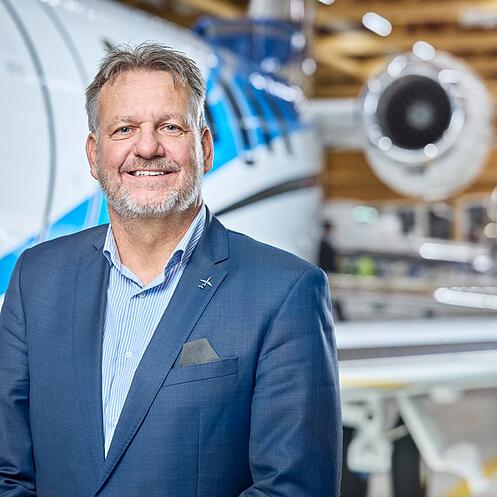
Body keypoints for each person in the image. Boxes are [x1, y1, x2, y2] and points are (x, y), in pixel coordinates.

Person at [0, 43, 342, 497]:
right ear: (94, 154)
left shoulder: (285, 291)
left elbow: (294, 489)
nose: (147, 148)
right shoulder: (37, 278)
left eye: (170, 127)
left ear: (204, 148)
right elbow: (6, 471)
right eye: (124, 129)